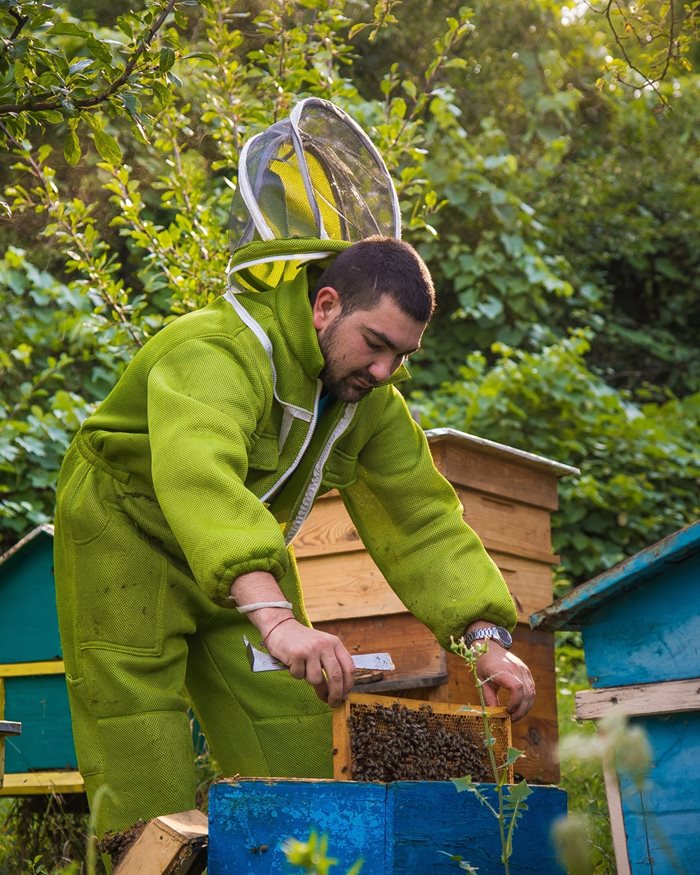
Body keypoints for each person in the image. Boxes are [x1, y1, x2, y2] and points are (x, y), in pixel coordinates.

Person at [53, 235, 535, 840]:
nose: (384, 370)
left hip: (241, 551)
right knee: (139, 740)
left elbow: (422, 520)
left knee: (298, 725)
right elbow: (200, 477)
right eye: (375, 345)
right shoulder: (215, 349)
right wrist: (277, 621)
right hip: (124, 533)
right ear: (326, 306)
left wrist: (483, 639)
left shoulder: (369, 401)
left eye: (401, 356)